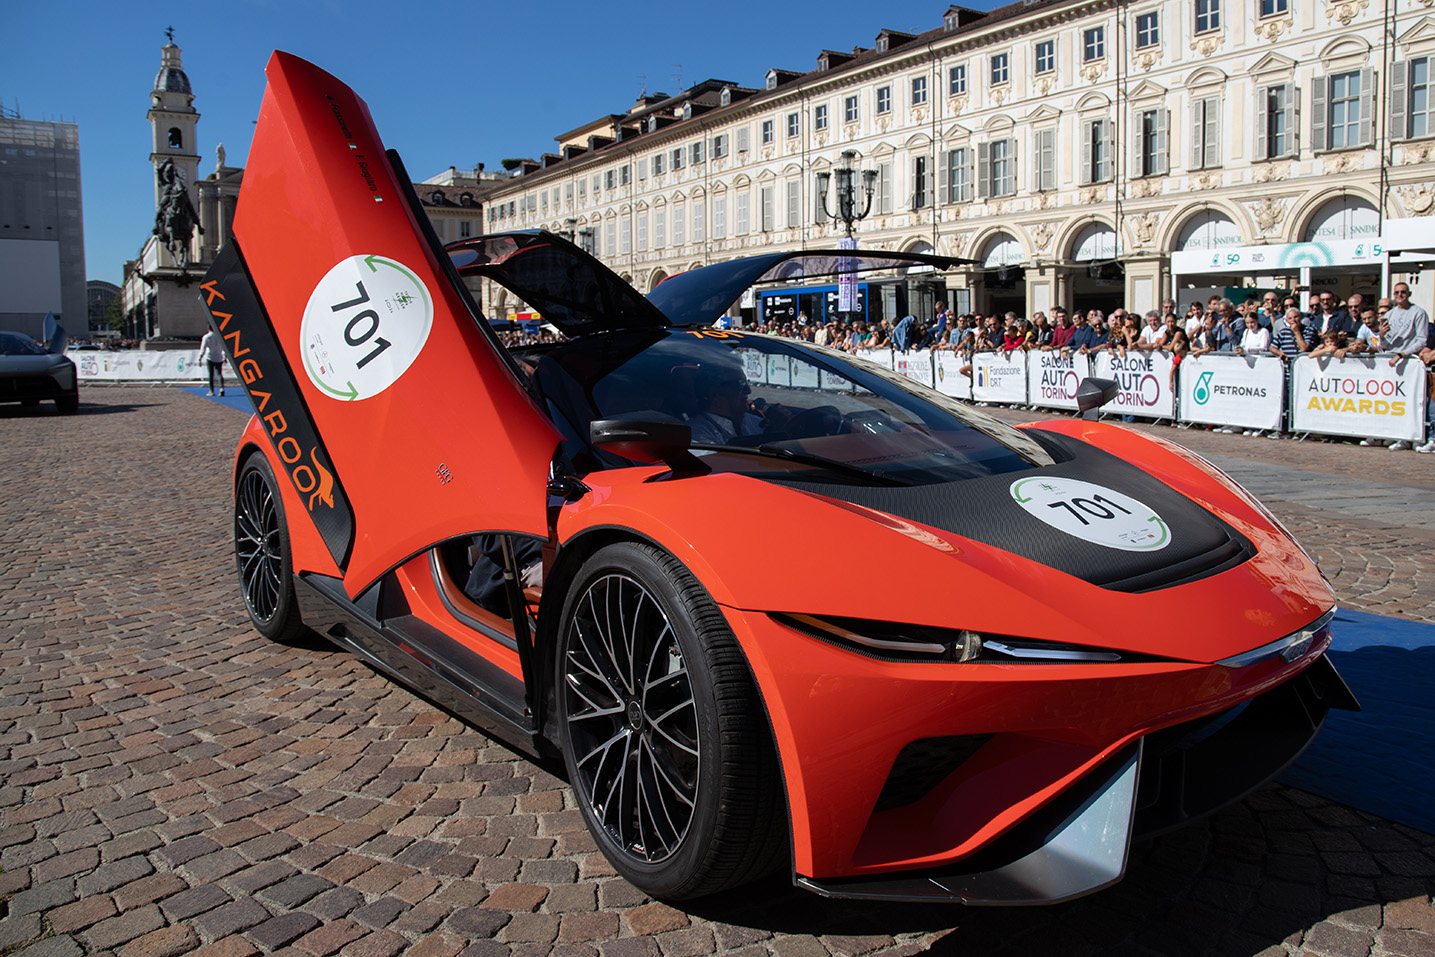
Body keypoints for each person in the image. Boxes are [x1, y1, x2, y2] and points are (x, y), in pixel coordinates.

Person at [688, 364, 764, 445]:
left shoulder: (757, 423)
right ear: (714, 395)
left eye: (746, 383)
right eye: (741, 384)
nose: (748, 390)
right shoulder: (696, 434)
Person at [198, 326, 226, 397]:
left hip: (210, 357)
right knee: (219, 373)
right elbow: (224, 347)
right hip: (219, 357)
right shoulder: (219, 336)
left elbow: (203, 348)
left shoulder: (206, 337)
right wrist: (225, 356)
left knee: (211, 374)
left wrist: (200, 358)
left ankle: (211, 390)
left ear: (208, 328)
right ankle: (221, 388)